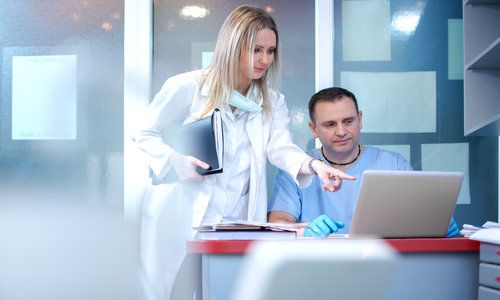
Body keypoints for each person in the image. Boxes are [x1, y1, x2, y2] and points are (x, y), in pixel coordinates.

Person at [134, 7, 355, 300]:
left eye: (271, 50)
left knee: (228, 291)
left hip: (232, 222)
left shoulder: (272, 101)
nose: (265, 60)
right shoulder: (188, 87)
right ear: (233, 46)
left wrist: (315, 166)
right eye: (256, 50)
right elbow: (143, 133)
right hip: (181, 215)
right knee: (172, 292)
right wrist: (176, 161)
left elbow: (281, 147)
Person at [267, 87, 460, 238]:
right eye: (330, 124)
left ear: (360, 120)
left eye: (348, 121)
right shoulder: (297, 167)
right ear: (313, 129)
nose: (341, 131)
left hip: (384, 264)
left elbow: (419, 216)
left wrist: (437, 223)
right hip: (316, 263)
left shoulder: (393, 164)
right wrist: (304, 230)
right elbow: (278, 221)